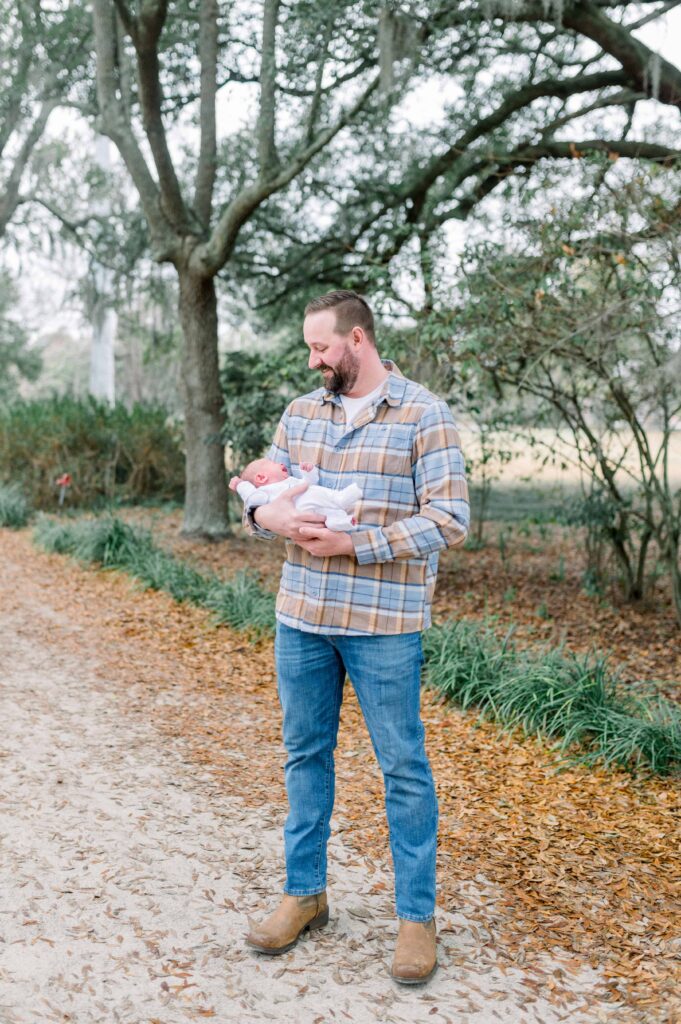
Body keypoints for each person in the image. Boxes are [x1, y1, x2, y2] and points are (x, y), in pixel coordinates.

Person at [242, 290, 469, 984]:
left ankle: (414, 918)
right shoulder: (301, 414)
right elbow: (262, 498)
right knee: (304, 754)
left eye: (321, 348)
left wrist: (355, 543)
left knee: (402, 766)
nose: (313, 361)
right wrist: (266, 521)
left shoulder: (424, 415)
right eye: (310, 349)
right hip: (302, 616)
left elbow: (450, 519)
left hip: (382, 624)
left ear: (358, 340)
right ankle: (304, 895)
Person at [229, 458, 361, 532]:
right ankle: (341, 500)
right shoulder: (266, 493)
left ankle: (345, 521)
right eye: (274, 464)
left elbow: (309, 483)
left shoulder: (290, 481)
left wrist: (308, 472)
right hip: (299, 510)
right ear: (262, 477)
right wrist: (241, 485)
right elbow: (252, 498)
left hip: (308, 505)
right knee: (316, 496)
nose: (281, 463)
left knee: (325, 515)